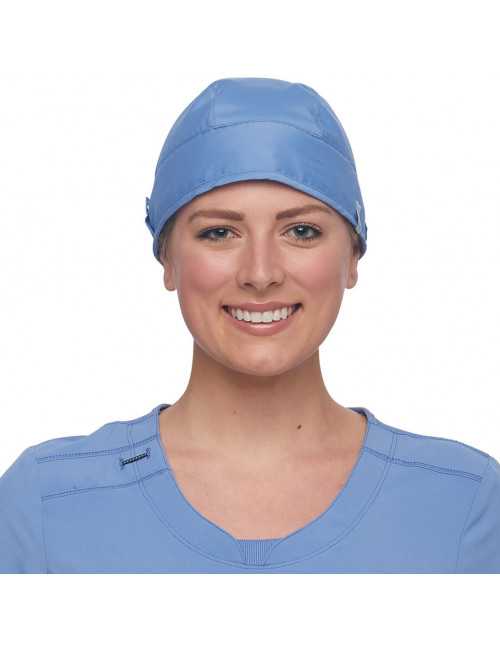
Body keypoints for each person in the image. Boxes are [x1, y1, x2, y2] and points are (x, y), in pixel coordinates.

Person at [1, 77, 499, 573]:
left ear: (353, 257)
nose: (260, 274)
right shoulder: (44, 508)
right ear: (168, 260)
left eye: (301, 231)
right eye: (220, 233)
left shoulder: (463, 507)